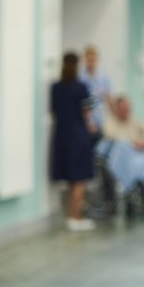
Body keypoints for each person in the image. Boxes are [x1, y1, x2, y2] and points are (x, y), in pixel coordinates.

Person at [51, 52, 98, 231]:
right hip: (78, 136)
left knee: (70, 179)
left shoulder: (56, 87)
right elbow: (87, 114)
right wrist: (91, 128)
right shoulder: (82, 87)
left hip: (61, 136)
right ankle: (75, 217)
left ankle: (70, 216)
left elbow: (54, 110)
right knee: (79, 179)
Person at [79, 45, 113, 131]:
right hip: (83, 118)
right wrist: (88, 121)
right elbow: (81, 102)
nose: (91, 63)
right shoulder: (80, 77)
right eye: (89, 60)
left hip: (99, 118)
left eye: (93, 60)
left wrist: (114, 117)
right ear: (85, 60)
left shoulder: (103, 77)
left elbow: (108, 99)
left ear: (97, 59)